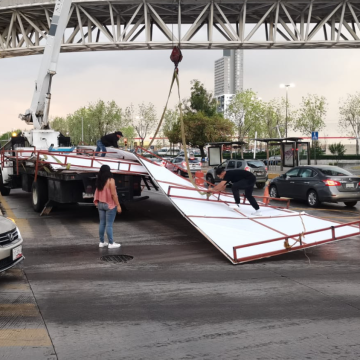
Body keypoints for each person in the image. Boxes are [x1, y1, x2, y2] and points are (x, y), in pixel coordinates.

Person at [94, 165, 122, 248]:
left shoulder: (99, 181)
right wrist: (118, 205)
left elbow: (96, 193)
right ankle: (111, 243)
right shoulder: (111, 180)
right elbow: (113, 194)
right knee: (109, 225)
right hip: (109, 205)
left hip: (100, 204)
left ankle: (102, 242)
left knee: (102, 223)